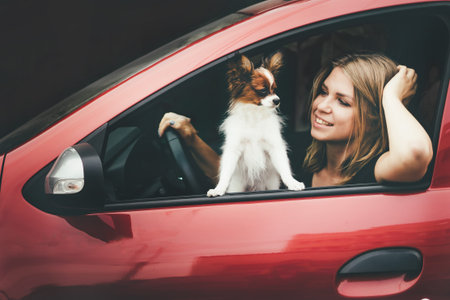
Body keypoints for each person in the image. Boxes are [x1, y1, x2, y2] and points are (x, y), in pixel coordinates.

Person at [158, 53, 433, 188]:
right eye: (323, 92)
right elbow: (234, 175)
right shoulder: (301, 153)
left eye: (343, 101)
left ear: (374, 118)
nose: (321, 106)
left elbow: (415, 153)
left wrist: (391, 99)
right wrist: (191, 138)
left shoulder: (377, 170)